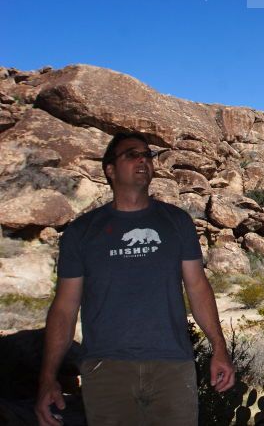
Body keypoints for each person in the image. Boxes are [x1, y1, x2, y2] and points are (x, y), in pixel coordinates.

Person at [35, 132, 235, 426]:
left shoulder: (176, 222)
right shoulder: (82, 232)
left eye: (147, 155)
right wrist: (48, 376)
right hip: (106, 369)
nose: (143, 159)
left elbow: (197, 287)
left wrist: (219, 347)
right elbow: (65, 307)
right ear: (110, 170)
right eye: (131, 154)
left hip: (173, 365)